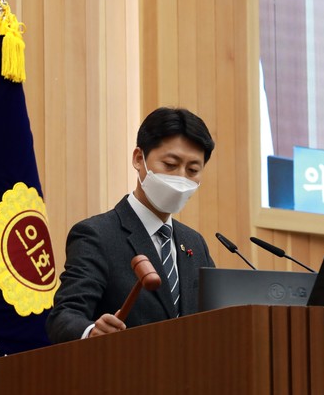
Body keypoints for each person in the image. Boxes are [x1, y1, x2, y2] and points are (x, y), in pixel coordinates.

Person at [46, 107, 216, 343]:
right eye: (170, 164)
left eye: (193, 170)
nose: (181, 178)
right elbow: (64, 316)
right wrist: (91, 331)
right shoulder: (96, 235)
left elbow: (214, 319)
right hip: (124, 364)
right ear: (138, 159)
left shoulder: (195, 243)